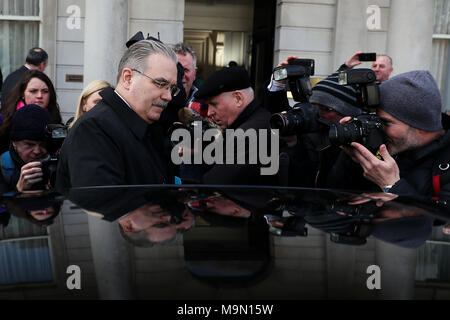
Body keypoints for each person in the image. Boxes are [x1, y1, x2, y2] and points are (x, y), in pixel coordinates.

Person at [56, 40, 180, 193]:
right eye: (160, 84)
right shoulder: (93, 130)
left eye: (172, 88)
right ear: (128, 78)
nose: (168, 96)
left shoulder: (148, 127)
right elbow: (102, 205)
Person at [326, 70, 450, 201]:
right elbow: (335, 201)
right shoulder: (391, 147)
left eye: (385, 122)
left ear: (420, 126)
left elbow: (440, 218)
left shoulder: (444, 167)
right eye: (375, 120)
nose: (377, 128)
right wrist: (353, 161)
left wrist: (391, 186)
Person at [264, 56, 362, 187]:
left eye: (326, 109)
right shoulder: (310, 131)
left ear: (348, 115)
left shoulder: (357, 148)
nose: (316, 114)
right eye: (312, 107)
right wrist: (292, 143)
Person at [193, 66, 277, 185]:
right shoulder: (253, 122)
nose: (209, 112)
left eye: (214, 104)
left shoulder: (249, 134)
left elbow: (212, 184)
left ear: (238, 98)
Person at [0, 70, 62, 153]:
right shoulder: (7, 121)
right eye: (33, 91)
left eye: (45, 91)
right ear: (22, 93)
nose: (39, 96)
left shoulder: (55, 121)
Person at [0, 105, 52, 193]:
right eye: (29, 144)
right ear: (14, 143)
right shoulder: (3, 167)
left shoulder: (54, 165)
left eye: (42, 144)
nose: (37, 151)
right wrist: (19, 189)